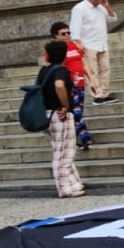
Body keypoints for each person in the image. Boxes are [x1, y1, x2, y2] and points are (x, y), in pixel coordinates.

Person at [40, 40, 85, 198]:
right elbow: (59, 86)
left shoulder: (44, 70)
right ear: (64, 55)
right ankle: (64, 187)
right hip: (59, 114)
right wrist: (65, 106)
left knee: (64, 151)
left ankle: (74, 183)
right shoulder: (61, 70)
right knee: (63, 153)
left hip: (48, 114)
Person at [69, 0, 119, 104]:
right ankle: (97, 95)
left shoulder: (102, 7)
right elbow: (74, 27)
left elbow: (113, 19)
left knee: (105, 69)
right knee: (92, 72)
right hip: (88, 44)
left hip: (102, 43)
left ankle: (105, 94)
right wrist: (78, 43)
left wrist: (107, 6)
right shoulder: (79, 8)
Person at [50, 21, 93, 150]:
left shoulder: (74, 45)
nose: (67, 35)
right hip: (68, 85)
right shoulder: (54, 50)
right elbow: (52, 67)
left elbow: (83, 64)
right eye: (63, 34)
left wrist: (93, 80)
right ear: (55, 36)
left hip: (79, 83)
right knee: (76, 111)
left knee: (78, 111)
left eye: (68, 33)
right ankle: (83, 136)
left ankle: (76, 138)